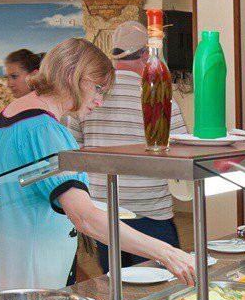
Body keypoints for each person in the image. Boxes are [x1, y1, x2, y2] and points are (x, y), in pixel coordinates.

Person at [0, 38, 195, 293]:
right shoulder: (46, 130)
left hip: (2, 264)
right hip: (32, 277)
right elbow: (84, 217)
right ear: (72, 75)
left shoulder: (11, 113)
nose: (100, 101)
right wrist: (167, 253)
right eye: (98, 88)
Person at [67, 20, 189, 273]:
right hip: (150, 211)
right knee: (162, 284)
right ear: (146, 54)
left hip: (104, 212)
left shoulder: (90, 95)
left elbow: (74, 150)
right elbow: (181, 152)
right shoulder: (159, 94)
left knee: (117, 284)